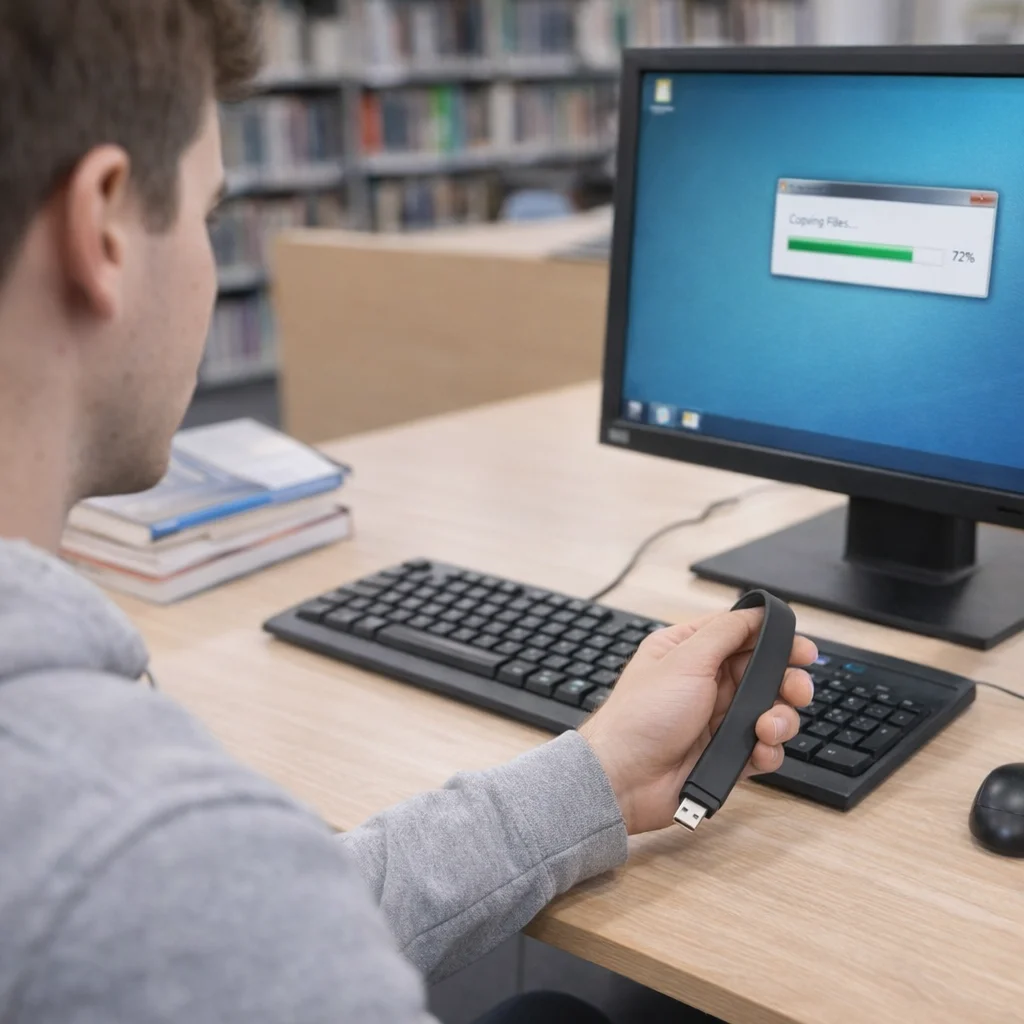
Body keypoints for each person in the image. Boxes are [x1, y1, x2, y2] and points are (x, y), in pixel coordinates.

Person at [0, 2, 815, 1022]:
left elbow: (266, 933)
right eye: (208, 213)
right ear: (103, 229)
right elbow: (217, 919)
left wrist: (599, 776)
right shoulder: (143, 849)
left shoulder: (157, 887)